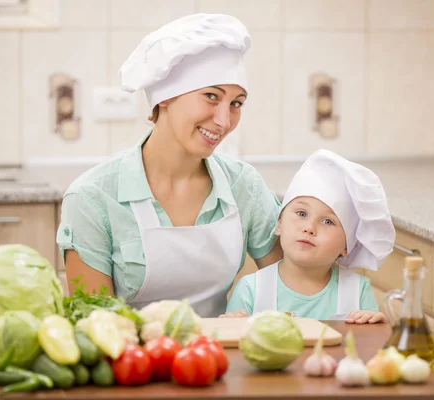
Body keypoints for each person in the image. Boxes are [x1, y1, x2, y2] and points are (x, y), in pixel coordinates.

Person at [56, 13, 283, 317]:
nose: (224, 120)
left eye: (236, 103)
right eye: (211, 96)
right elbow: (94, 323)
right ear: (164, 97)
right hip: (131, 360)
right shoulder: (92, 198)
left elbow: (293, 284)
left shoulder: (244, 185)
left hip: (218, 357)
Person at [224, 149, 396, 323]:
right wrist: (231, 326)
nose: (309, 228)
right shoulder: (250, 289)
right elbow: (229, 345)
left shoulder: (358, 291)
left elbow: (368, 348)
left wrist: (373, 326)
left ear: (347, 246)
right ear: (279, 223)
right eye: (301, 213)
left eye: (328, 221)